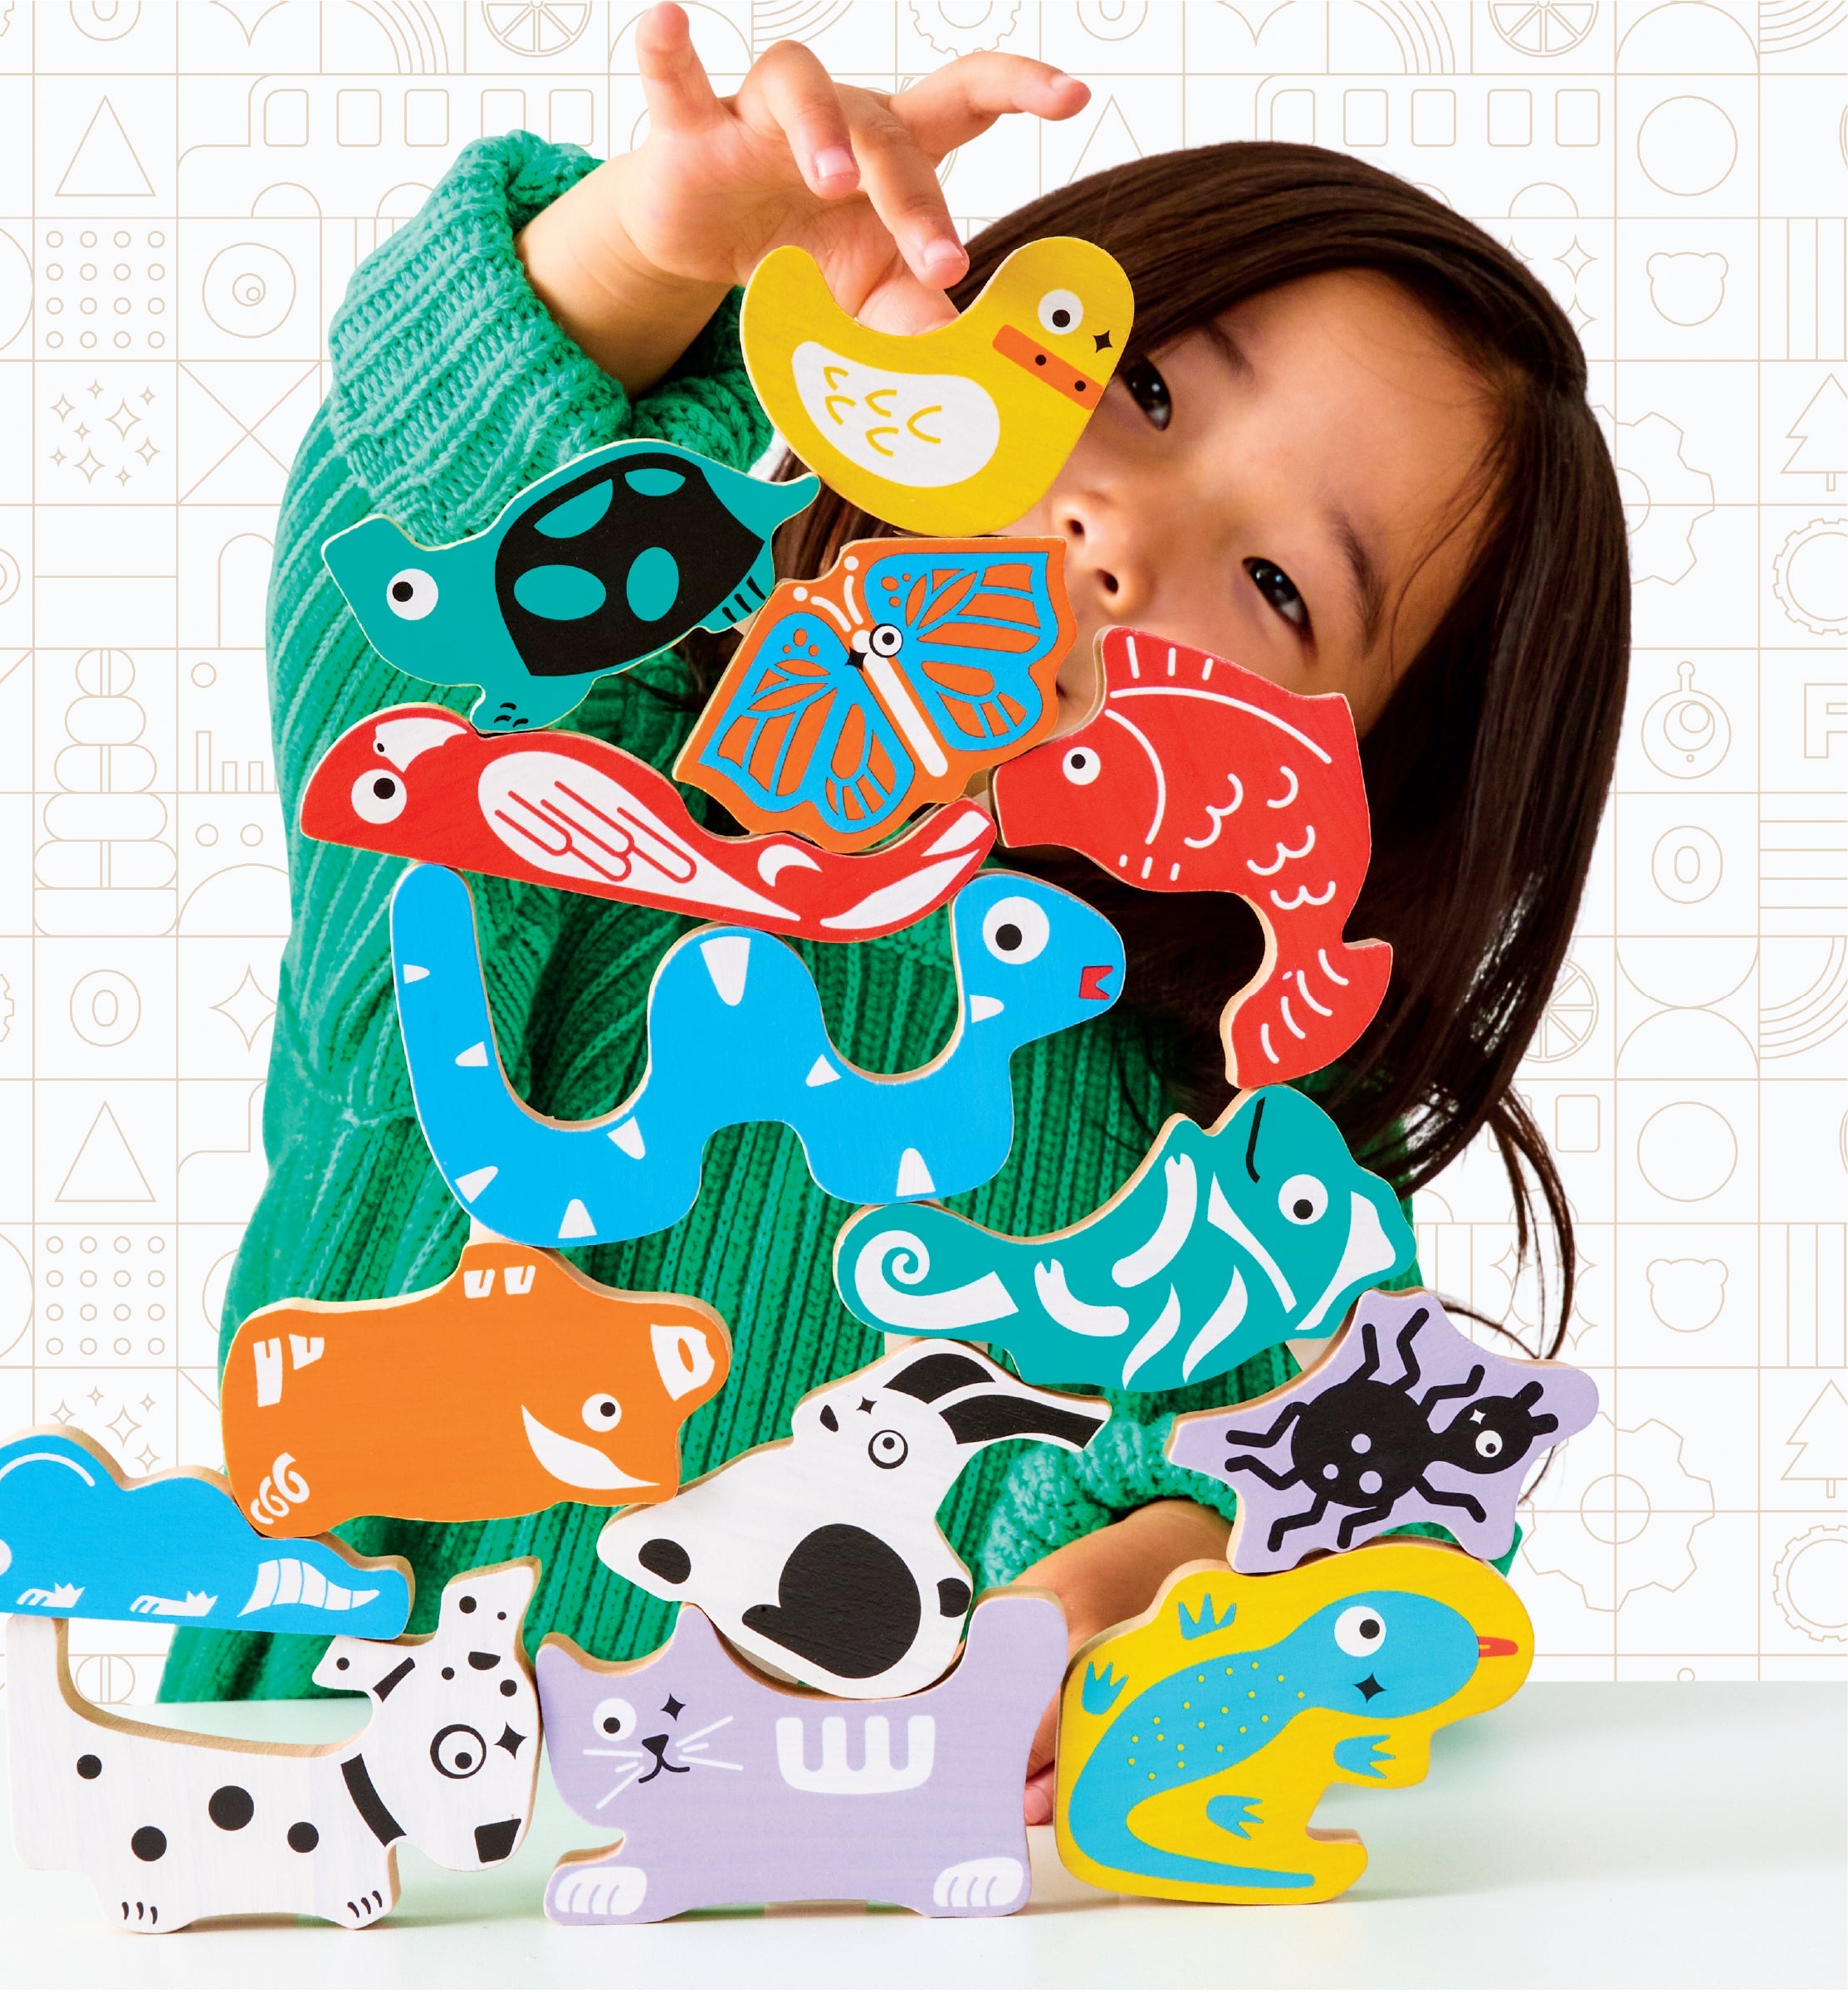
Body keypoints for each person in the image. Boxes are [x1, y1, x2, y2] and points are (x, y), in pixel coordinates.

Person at [159, 5, 1627, 1828]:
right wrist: (654, 247)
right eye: (1148, 389)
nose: (1121, 526)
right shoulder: (612, 752)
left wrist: (1146, 1573)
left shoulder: (1197, 1160)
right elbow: (410, 542)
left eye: (1273, 582)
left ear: (1345, 801)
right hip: (318, 1837)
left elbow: (1344, 1468)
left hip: (866, 1903)